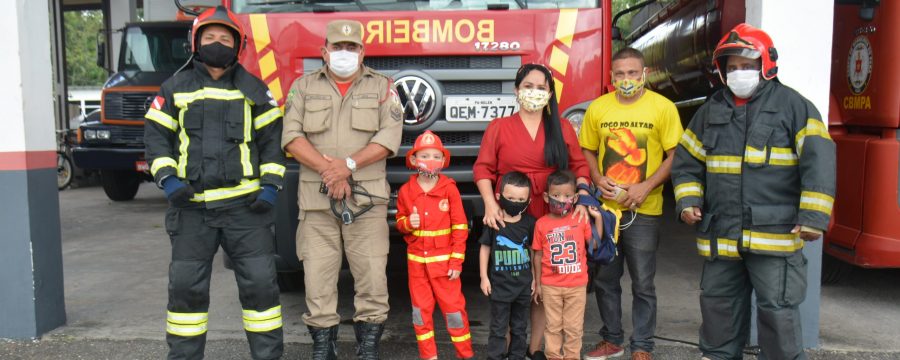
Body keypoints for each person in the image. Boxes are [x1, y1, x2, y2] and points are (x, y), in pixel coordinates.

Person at [671, 23, 835, 360]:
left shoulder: (795, 107)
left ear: (766, 65)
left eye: (746, 66)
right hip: (722, 234)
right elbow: (686, 160)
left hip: (774, 235)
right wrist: (688, 200)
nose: (738, 73)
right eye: (731, 68)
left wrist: (814, 218)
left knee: (778, 315)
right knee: (718, 311)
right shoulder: (711, 110)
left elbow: (818, 162)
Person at [143, 6, 285, 360]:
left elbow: (272, 142)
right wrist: (168, 179)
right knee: (185, 294)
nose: (218, 43)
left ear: (238, 46)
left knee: (262, 290)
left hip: (247, 210)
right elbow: (156, 138)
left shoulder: (256, 90)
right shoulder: (175, 88)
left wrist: (270, 186)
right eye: (210, 37)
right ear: (196, 41)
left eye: (225, 38)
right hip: (192, 209)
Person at [281, 19, 402, 360]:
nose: (344, 53)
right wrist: (329, 170)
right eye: (338, 47)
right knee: (317, 278)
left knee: (372, 278)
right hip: (317, 200)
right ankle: (324, 347)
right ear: (325, 52)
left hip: (366, 201)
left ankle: (368, 347)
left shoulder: (382, 87)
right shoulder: (303, 87)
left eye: (352, 48)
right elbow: (291, 137)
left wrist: (346, 166)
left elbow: (388, 138)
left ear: (362, 52)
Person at [473, 63, 592, 360]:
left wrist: (584, 197)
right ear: (516, 90)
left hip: (551, 212)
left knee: (543, 280)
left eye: (541, 88)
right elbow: (483, 168)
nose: (534, 92)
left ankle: (534, 348)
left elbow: (579, 166)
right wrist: (490, 203)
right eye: (528, 86)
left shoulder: (561, 127)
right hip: (510, 213)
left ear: (549, 93)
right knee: (512, 279)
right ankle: (510, 348)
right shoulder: (499, 127)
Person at [580, 47, 683, 360]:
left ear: (645, 74)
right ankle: (612, 339)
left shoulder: (663, 108)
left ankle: (642, 346)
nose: (626, 79)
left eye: (633, 73)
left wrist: (645, 187)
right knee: (606, 279)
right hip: (606, 212)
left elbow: (675, 155)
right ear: (612, 76)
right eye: (620, 74)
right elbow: (587, 149)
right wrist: (597, 178)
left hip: (645, 210)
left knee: (643, 283)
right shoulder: (598, 109)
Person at [395, 131, 473, 360]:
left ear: (443, 161)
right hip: (417, 267)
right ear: (413, 159)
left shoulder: (449, 189)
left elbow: (460, 227)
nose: (431, 159)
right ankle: (429, 357)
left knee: (455, 313)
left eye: (436, 156)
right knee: (420, 314)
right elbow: (399, 222)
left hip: (444, 268)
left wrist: (456, 261)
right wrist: (408, 223)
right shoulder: (406, 191)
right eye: (425, 155)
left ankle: (465, 356)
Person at [532, 170, 605, 360]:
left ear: (574, 198)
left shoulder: (581, 219)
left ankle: (572, 357)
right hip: (550, 286)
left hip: (576, 285)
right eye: (556, 196)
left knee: (574, 328)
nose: (561, 200)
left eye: (566, 196)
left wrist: (598, 219)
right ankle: (553, 356)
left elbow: (594, 245)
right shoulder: (541, 224)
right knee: (553, 326)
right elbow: (538, 255)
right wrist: (538, 283)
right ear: (547, 197)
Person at [479, 171, 537, 360]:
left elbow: (534, 251)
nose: (515, 202)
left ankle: (517, 356)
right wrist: (484, 277)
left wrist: (536, 280)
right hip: (500, 287)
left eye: (521, 199)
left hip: (523, 287)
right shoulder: (493, 221)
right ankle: (495, 356)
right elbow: (485, 249)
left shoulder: (530, 223)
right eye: (510, 197)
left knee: (520, 327)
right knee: (498, 327)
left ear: (528, 201)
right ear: (499, 197)